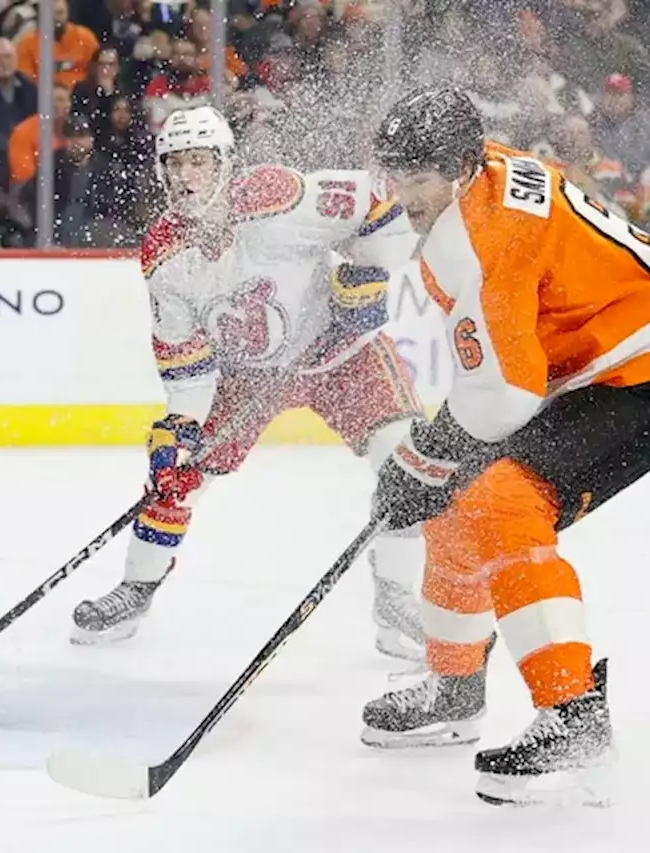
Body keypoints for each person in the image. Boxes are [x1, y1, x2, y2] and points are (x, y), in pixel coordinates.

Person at [360, 87, 650, 806]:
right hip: (604, 354)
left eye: (416, 178)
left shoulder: (479, 236)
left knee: (499, 500)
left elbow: (506, 395)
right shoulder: (477, 186)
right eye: (396, 174)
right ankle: (454, 689)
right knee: (457, 502)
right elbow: (505, 372)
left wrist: (426, 452)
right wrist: (436, 459)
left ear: (456, 167)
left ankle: (572, 716)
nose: (402, 194)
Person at [69, 105, 426, 661]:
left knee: (406, 459)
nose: (187, 176)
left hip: (341, 352)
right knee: (177, 475)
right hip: (249, 376)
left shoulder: (277, 196)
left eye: (200, 162)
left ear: (226, 164)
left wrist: (366, 271)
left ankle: (397, 597)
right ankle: (137, 587)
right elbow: (187, 371)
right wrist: (179, 435)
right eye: (176, 164)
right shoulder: (165, 257)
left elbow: (383, 204)